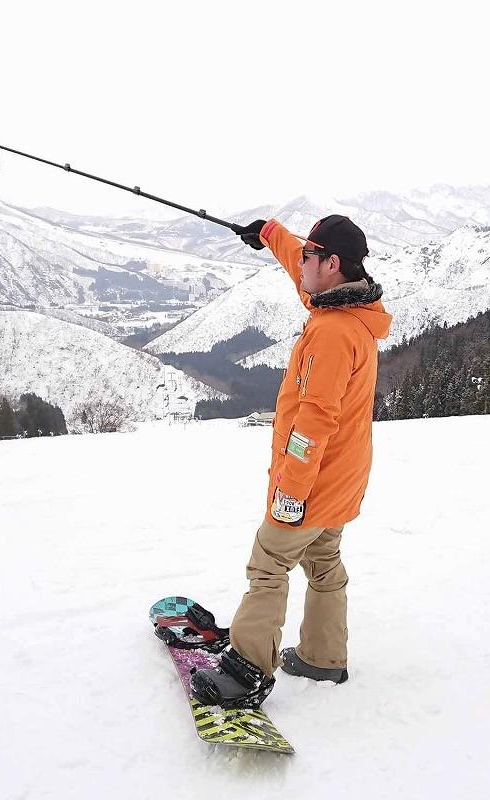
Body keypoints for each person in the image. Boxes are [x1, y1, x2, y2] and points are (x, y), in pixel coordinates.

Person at [190, 215, 392, 709]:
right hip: (345, 478)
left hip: (314, 481)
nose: (300, 262)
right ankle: (324, 657)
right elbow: (304, 277)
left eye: (308, 255)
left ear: (332, 263)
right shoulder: (352, 313)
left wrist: (291, 490)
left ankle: (246, 671)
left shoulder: (330, 334)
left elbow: (314, 422)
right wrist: (269, 236)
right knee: (323, 563)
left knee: (269, 563)